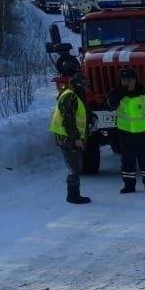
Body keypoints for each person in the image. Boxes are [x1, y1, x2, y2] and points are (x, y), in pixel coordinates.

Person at [108, 67, 145, 193]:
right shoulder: (118, 92)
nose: (126, 83)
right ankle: (129, 185)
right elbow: (110, 105)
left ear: (134, 80)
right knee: (127, 160)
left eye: (129, 80)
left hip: (143, 133)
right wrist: (119, 94)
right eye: (123, 80)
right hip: (125, 133)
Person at [49, 73, 91, 204]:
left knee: (75, 165)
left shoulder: (72, 95)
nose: (86, 89)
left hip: (66, 137)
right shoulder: (70, 96)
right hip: (67, 138)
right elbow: (68, 119)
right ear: (78, 85)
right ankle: (73, 195)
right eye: (84, 85)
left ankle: (74, 194)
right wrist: (76, 138)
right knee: (74, 167)